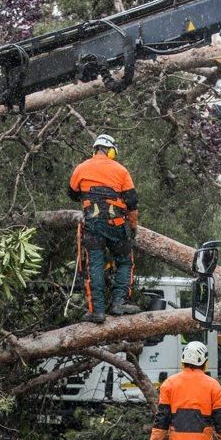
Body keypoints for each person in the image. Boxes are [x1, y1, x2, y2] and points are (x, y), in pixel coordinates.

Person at [69, 133, 141, 323]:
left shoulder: (81, 168)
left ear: (95, 149)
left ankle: (97, 311)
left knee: (95, 267)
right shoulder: (121, 171)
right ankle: (119, 302)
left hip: (92, 226)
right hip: (117, 225)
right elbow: (132, 203)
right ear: (110, 151)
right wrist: (133, 226)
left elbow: (72, 193)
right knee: (125, 262)